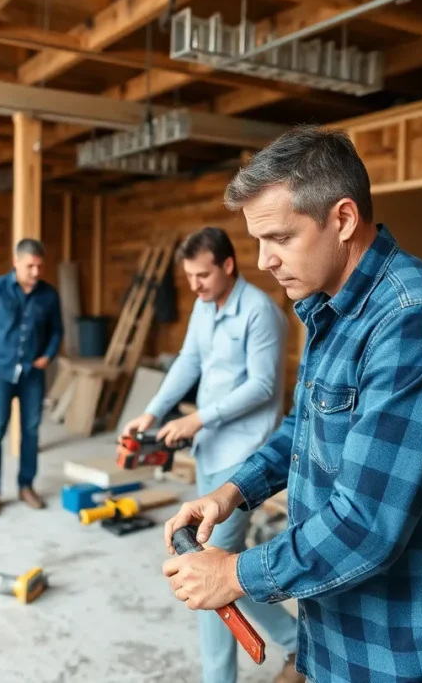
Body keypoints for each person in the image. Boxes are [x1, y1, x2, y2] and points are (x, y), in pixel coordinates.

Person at [160, 126, 422, 683]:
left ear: (344, 219)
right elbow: (304, 429)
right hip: (338, 627)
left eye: (280, 238)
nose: (263, 261)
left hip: (404, 645)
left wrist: (236, 573)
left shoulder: (415, 320)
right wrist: (231, 492)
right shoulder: (330, 308)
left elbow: (369, 522)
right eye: (258, 241)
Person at [123, 227, 304, 683]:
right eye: (188, 276)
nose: (194, 285)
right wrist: (153, 412)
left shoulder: (261, 313)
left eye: (202, 275)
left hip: (244, 459)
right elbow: (188, 360)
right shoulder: (205, 308)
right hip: (209, 451)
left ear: (227, 266)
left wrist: (197, 418)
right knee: (222, 565)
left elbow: (262, 386)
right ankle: (302, 645)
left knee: (207, 575)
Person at [0, 238, 63, 517]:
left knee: (31, 432)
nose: (36, 272)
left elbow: (57, 331)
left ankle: (26, 486)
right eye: (30, 266)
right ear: (15, 262)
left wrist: (48, 355)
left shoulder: (49, 294)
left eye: (40, 266)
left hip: (33, 375)